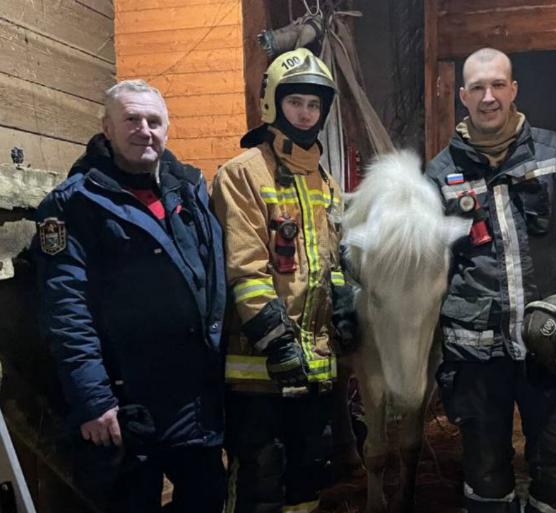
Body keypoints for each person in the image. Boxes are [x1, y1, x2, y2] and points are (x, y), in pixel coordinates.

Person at [425, 47, 556, 513]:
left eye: (498, 85)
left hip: (552, 345)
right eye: (477, 88)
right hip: (475, 355)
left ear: (514, 90)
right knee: (484, 475)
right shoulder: (439, 174)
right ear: (463, 97)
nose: (488, 97)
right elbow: (430, 265)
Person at [33, 79, 227, 513]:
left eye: (154, 121)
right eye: (131, 120)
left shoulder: (190, 188)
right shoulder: (72, 205)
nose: (145, 129)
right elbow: (67, 310)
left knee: (208, 498)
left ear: (167, 128)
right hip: (125, 400)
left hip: (194, 394)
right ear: (106, 127)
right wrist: (94, 400)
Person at [211, 47, 356, 513]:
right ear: (273, 103)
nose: (307, 113)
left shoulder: (325, 182)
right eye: (297, 102)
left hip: (315, 369)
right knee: (261, 481)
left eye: (315, 105)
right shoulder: (243, 173)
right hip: (259, 370)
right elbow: (246, 267)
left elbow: (328, 260)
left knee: (308, 481)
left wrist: (345, 301)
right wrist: (278, 341)